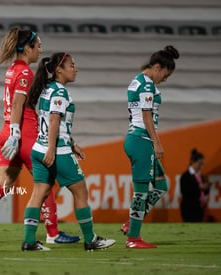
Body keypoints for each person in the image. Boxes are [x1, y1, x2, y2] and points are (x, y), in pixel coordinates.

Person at [0, 28, 80, 245]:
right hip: (24, 134)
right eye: (38, 46)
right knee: (44, 182)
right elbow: (19, 103)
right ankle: (53, 234)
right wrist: (17, 133)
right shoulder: (26, 72)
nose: (40, 50)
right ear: (27, 48)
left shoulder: (12, 69)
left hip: (7, 131)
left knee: (3, 184)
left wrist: (11, 133)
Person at [22, 52, 116, 251]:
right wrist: (53, 149)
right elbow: (54, 120)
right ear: (59, 70)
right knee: (80, 191)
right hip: (55, 150)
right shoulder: (61, 92)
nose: (76, 69)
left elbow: (51, 121)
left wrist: (72, 143)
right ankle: (91, 240)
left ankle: (29, 242)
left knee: (38, 194)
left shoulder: (47, 89)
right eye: (72, 65)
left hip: (38, 149)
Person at [122, 45, 180, 248]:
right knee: (141, 192)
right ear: (157, 67)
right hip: (142, 140)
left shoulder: (138, 80)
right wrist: (157, 142)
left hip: (137, 139)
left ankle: (132, 223)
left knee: (161, 185)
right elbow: (146, 116)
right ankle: (133, 238)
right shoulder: (146, 85)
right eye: (166, 74)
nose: (165, 79)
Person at [180, 149, 211, 222]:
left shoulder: (200, 175)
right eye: (199, 164)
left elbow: (205, 192)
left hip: (199, 208)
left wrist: (206, 187)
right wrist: (199, 187)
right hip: (189, 209)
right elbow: (184, 191)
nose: (201, 166)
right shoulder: (186, 176)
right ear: (193, 162)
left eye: (202, 164)